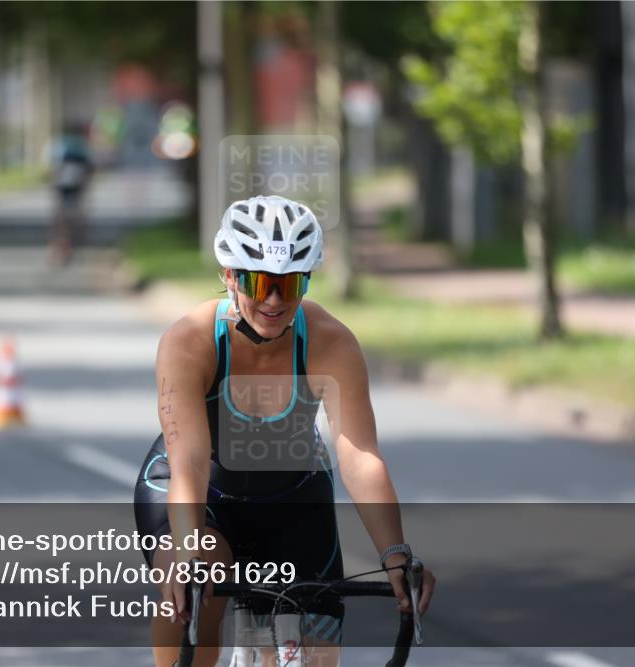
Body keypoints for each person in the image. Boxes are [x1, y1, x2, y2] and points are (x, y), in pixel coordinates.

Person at [133, 195, 435, 666]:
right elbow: (189, 460)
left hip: (292, 498)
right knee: (193, 595)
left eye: (290, 285)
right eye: (259, 282)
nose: (274, 301)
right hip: (202, 493)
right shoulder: (188, 341)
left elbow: (358, 454)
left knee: (315, 655)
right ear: (230, 276)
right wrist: (187, 549)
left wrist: (395, 554)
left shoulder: (330, 342)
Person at [47, 122, 94, 266]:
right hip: (76, 185)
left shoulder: (59, 144)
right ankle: (73, 237)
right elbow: (89, 167)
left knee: (60, 217)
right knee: (74, 213)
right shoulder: (81, 146)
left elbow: (52, 167)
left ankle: (60, 244)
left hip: (62, 185)